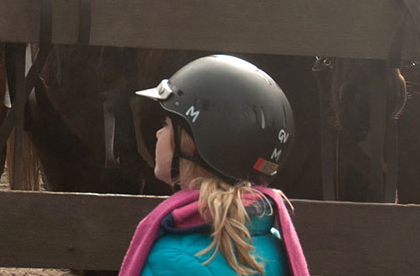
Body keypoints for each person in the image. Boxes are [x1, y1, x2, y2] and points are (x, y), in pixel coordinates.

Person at [120, 54, 308, 276]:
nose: (158, 133)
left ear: (195, 146)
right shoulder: (272, 242)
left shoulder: (168, 260)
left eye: (167, 125)